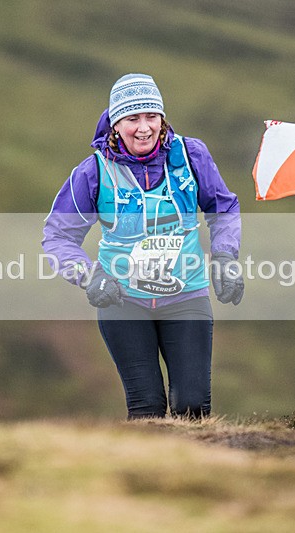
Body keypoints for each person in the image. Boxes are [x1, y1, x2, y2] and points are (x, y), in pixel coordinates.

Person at [42, 73, 243, 419]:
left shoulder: (191, 155)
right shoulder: (93, 171)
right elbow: (58, 236)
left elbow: (223, 208)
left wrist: (225, 255)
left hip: (186, 295)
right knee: (146, 407)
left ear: (162, 118)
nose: (144, 128)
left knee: (193, 406)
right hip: (123, 300)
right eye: (132, 118)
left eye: (152, 116)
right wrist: (89, 276)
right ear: (115, 124)